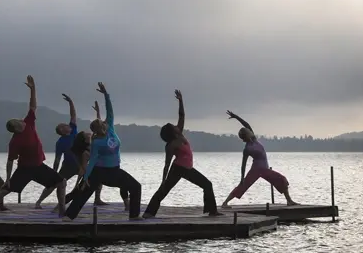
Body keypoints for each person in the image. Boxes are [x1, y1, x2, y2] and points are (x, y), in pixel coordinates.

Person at [0, 75, 66, 217]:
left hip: (39, 166)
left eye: (20, 121)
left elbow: (33, 105)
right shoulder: (15, 141)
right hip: (24, 169)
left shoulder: (29, 121)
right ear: (16, 128)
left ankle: (62, 210)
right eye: (18, 123)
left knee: (61, 182)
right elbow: (10, 161)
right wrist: (7, 178)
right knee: (6, 189)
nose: (21, 122)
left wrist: (33, 89)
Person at [64, 82, 141, 221]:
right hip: (99, 171)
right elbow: (93, 159)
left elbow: (110, 111)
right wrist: (86, 176)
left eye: (104, 123)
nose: (104, 124)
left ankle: (134, 216)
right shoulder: (97, 142)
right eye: (101, 124)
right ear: (98, 129)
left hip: (114, 170)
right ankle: (69, 216)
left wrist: (106, 95)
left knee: (135, 186)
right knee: (83, 191)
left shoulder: (110, 129)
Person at [143, 90, 221, 218]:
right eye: (173, 126)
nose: (176, 126)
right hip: (178, 169)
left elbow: (182, 116)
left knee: (207, 184)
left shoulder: (180, 134)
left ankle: (212, 211)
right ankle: (149, 213)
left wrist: (180, 100)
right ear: (171, 132)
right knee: (163, 190)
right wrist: (163, 180)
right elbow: (167, 164)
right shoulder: (171, 145)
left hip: (187, 168)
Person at [221, 110, 298, 207]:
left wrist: (236, 117)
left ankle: (289, 201)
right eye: (248, 131)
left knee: (281, 179)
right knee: (243, 186)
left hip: (264, 169)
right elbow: (243, 165)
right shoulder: (247, 149)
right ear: (246, 135)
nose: (249, 130)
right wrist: (242, 178)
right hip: (257, 169)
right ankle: (225, 203)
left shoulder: (254, 139)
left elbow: (246, 124)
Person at [35, 93, 79, 209]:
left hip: (80, 164)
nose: (66, 125)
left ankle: (97, 199)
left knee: (94, 180)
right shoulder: (60, 142)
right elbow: (57, 159)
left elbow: (73, 115)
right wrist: (53, 172)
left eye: (65, 124)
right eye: (63, 126)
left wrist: (70, 102)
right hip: (68, 166)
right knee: (55, 184)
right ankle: (39, 202)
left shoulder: (73, 130)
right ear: (62, 131)